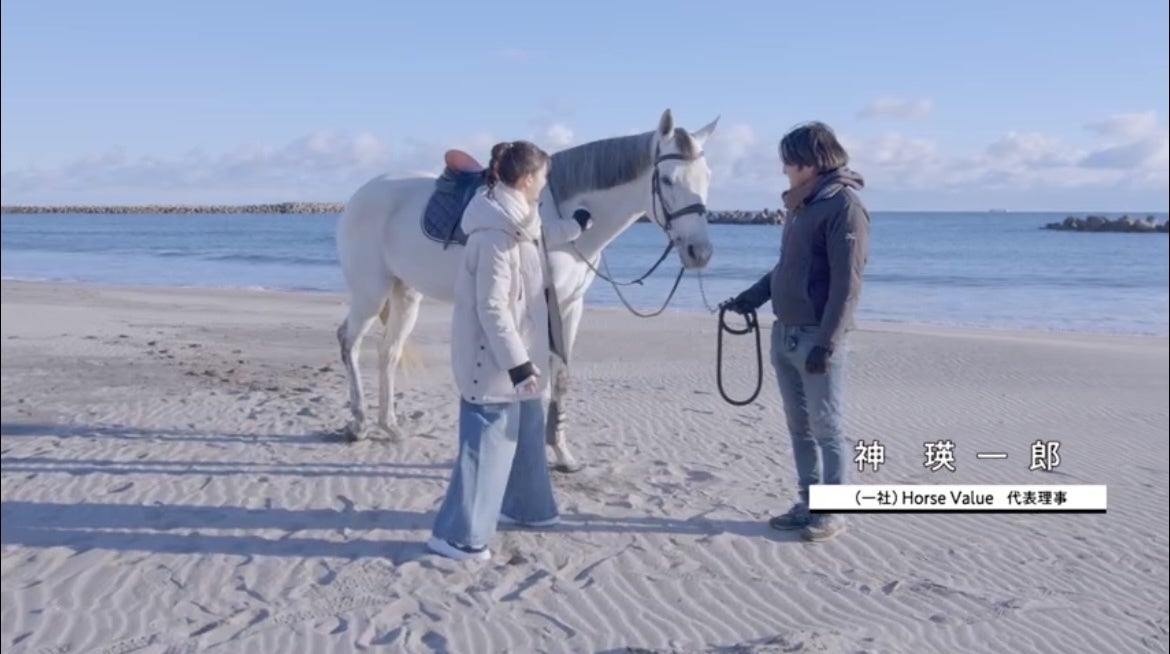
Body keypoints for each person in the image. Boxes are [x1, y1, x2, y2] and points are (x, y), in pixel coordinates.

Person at [428, 140, 592, 561]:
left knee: (528, 432)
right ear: (527, 179)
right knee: (487, 443)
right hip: (493, 360)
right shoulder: (493, 236)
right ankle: (456, 536)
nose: (546, 183)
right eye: (543, 177)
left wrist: (576, 227)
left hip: (522, 354)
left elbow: (539, 235)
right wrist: (518, 365)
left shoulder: (517, 219)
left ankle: (528, 508)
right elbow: (491, 307)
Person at [721, 121, 870, 543]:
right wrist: (751, 297)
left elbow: (847, 284)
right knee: (798, 427)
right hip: (784, 332)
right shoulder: (802, 205)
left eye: (788, 161)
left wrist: (827, 342)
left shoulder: (844, 208)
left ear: (810, 162)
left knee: (827, 427)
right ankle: (808, 503)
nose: (783, 169)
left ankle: (833, 511)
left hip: (816, 337)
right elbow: (787, 267)